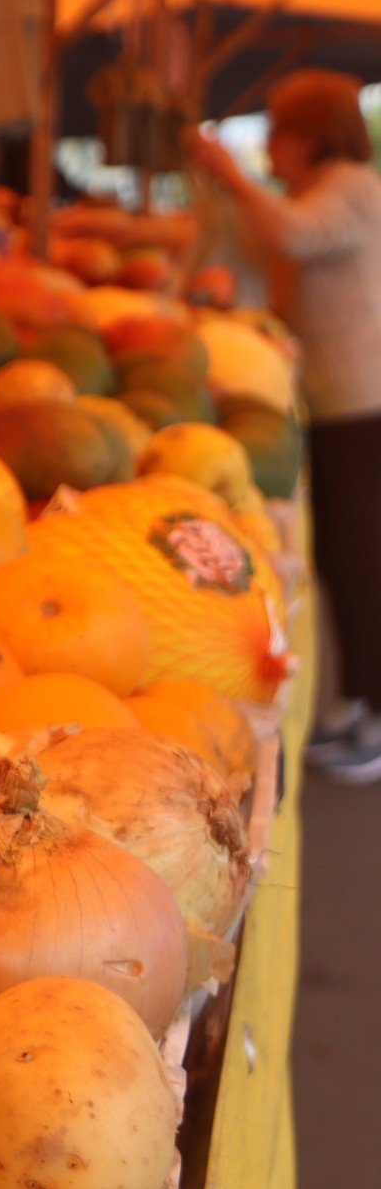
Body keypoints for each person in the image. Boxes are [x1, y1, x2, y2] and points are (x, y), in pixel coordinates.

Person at [190, 70, 381, 782]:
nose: (270, 147)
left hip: (362, 403)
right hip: (339, 401)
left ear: (307, 137)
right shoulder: (324, 190)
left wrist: (228, 173)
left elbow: (291, 236)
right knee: (343, 559)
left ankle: (376, 713)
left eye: (276, 131)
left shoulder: (352, 187)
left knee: (362, 560)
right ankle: (360, 702)